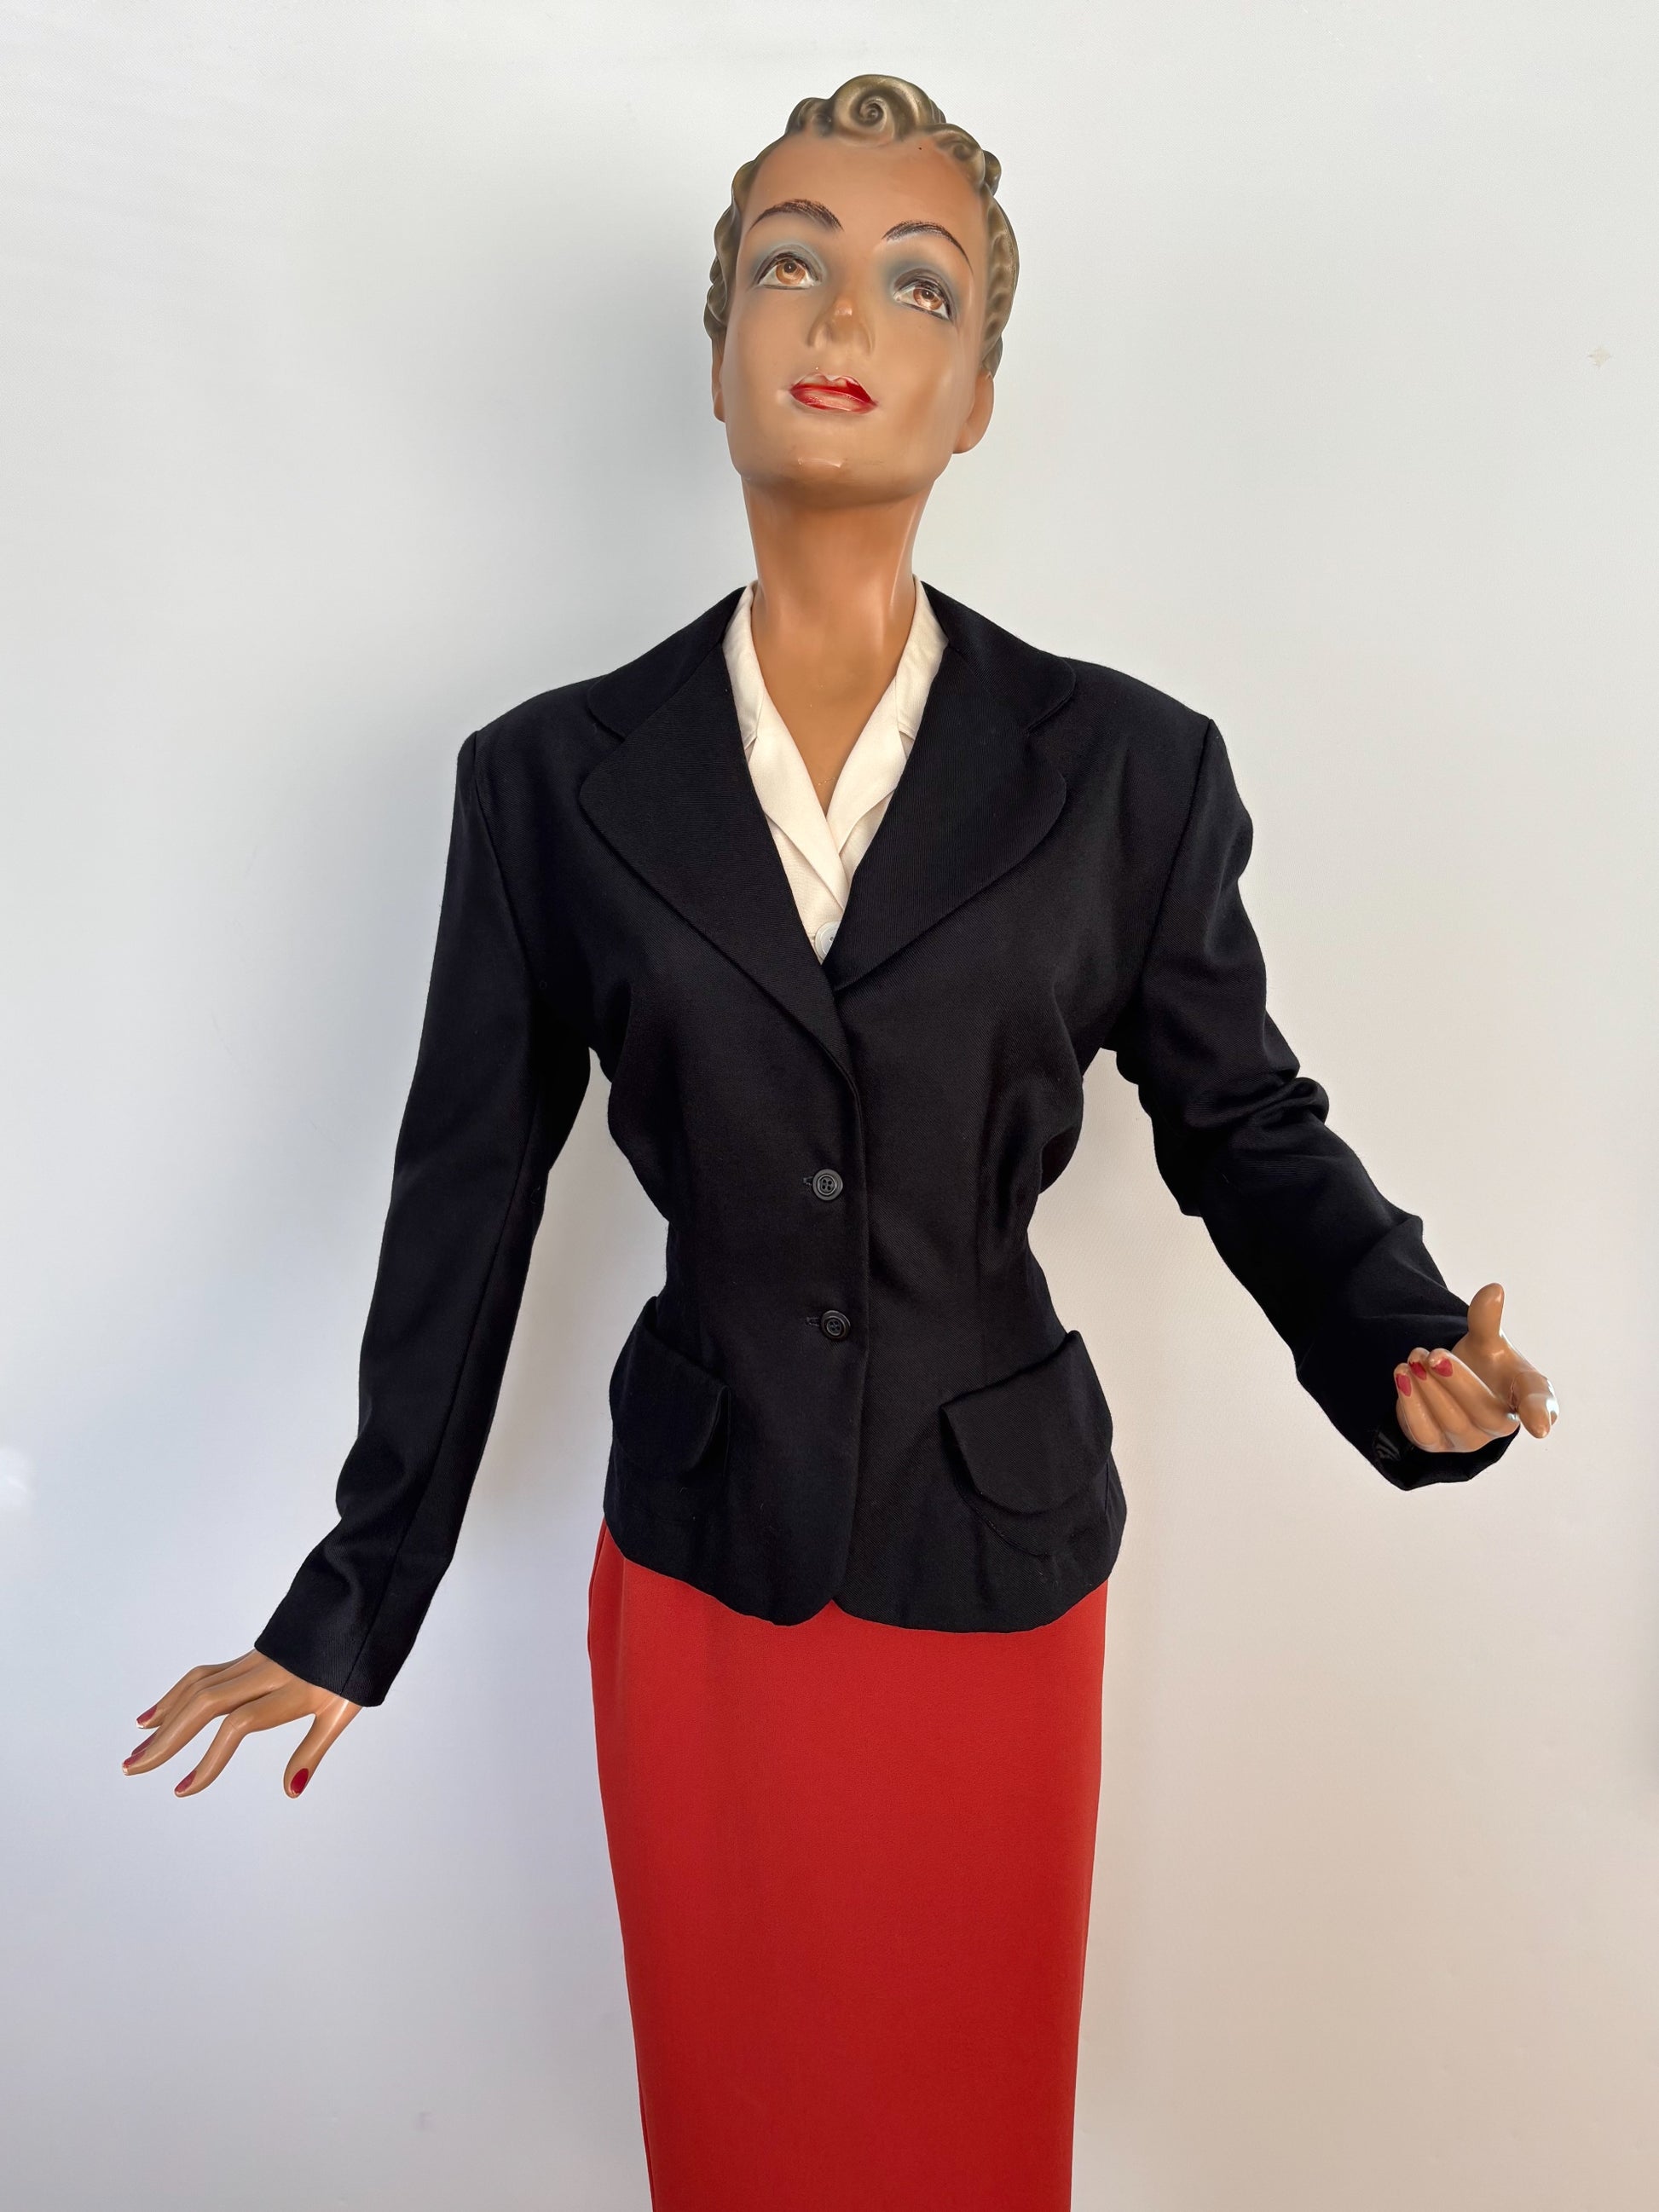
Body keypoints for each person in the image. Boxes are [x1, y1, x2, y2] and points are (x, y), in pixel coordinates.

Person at [123, 75, 1557, 2212]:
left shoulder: (1126, 771)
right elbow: (467, 1201)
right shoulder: (548, 780)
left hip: (994, 1558)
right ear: (716, 347)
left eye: (920, 284)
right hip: (703, 1563)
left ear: (977, 396)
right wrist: (358, 1591)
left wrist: (1402, 1339)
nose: (844, 313)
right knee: (737, 2133)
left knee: (968, 2130)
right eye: (786, 262)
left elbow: (1242, 1121)